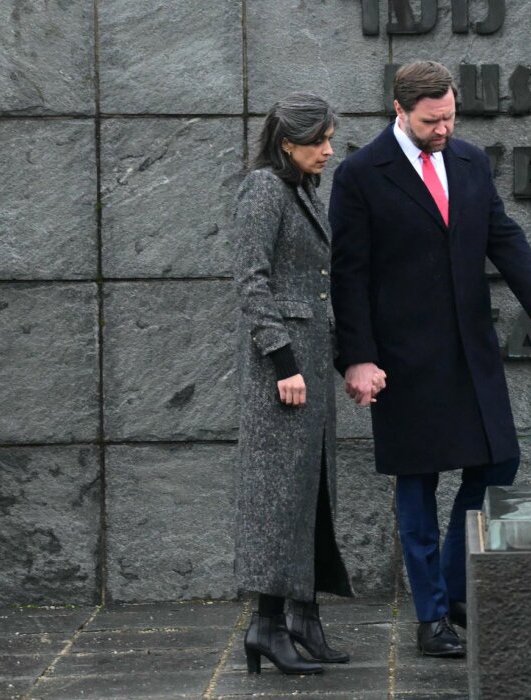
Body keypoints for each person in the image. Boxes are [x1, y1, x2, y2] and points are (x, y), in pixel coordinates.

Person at [329, 61, 531, 658]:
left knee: (499, 463)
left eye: (450, 117)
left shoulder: (468, 161)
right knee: (417, 487)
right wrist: (357, 359)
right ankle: (431, 617)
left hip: (471, 351)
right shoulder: (361, 175)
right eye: (431, 120)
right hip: (402, 360)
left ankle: (449, 586)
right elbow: (348, 277)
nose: (443, 129)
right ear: (400, 111)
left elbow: (503, 235)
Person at [233, 92, 354, 675]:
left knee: (310, 493)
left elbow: (313, 289)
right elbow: (252, 282)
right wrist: (285, 364)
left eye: (330, 139)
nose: (329, 150)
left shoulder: (302, 191)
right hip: (282, 378)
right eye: (319, 141)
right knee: (278, 499)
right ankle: (265, 626)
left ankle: (303, 617)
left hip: (310, 372)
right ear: (288, 142)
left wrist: (343, 362)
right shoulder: (263, 189)